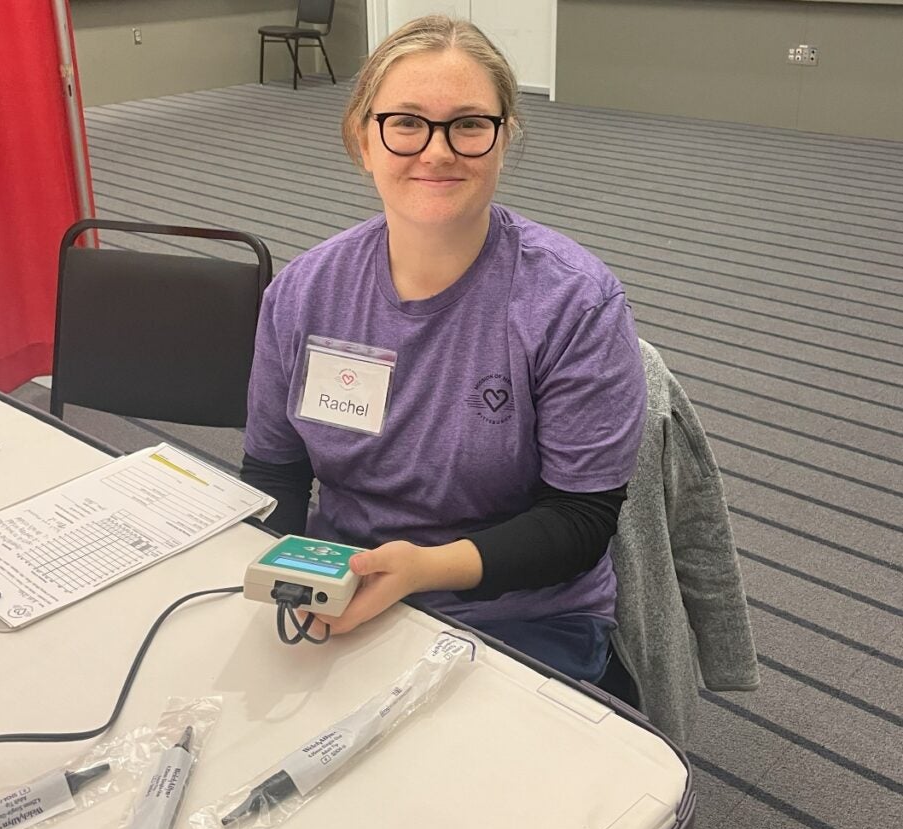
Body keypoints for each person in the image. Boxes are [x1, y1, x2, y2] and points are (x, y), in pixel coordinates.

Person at [241, 15, 647, 697]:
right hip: (343, 584)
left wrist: (424, 570)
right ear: (362, 138)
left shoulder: (571, 302)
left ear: (502, 136)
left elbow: (579, 522)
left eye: (467, 124)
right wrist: (285, 578)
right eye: (405, 123)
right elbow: (274, 476)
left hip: (523, 609)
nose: (435, 152)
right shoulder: (305, 293)